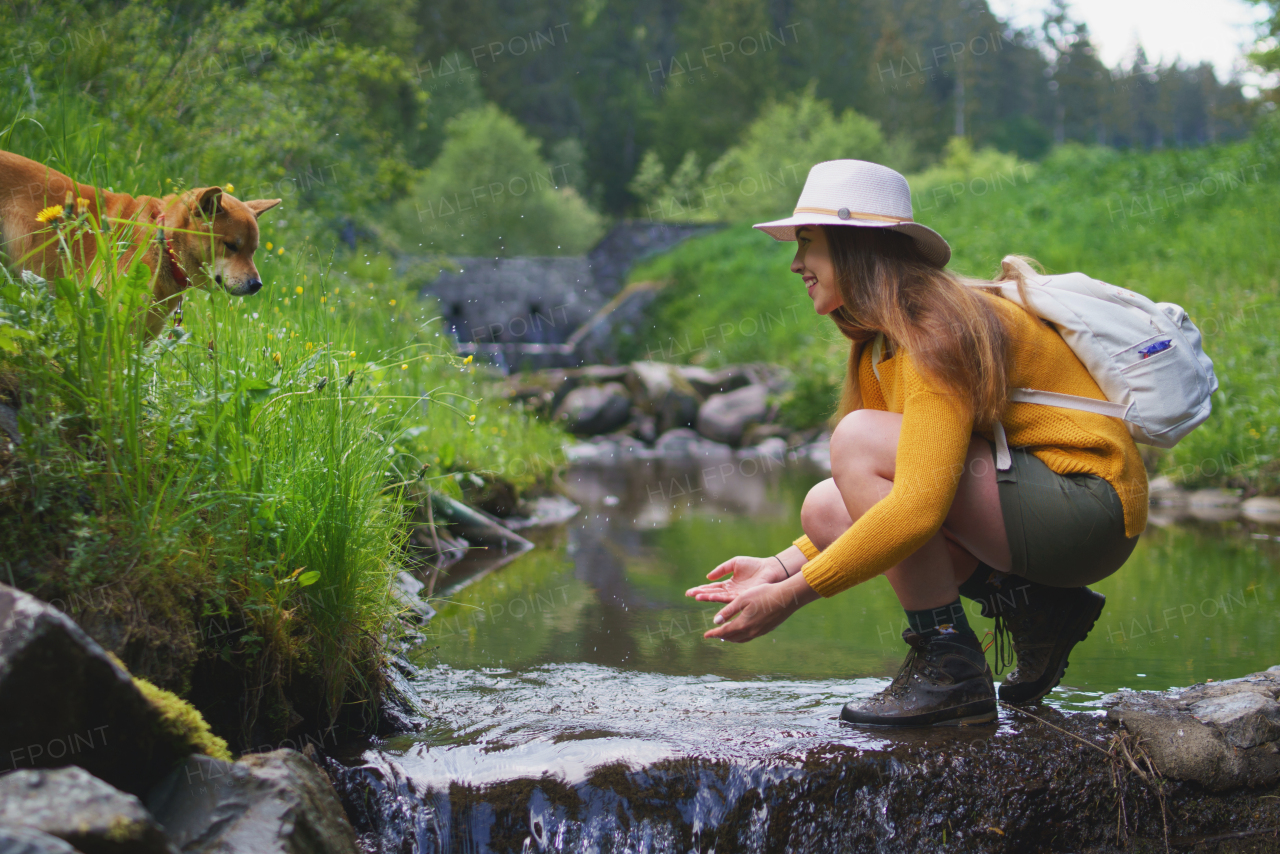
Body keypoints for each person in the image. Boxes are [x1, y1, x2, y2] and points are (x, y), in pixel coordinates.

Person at [685, 159, 1147, 726]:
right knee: (826, 506)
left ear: (853, 245)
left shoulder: (936, 326)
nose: (795, 263)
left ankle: (949, 666)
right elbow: (884, 493)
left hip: (1086, 505)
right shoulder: (881, 342)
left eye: (807, 244)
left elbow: (918, 507)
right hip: (1034, 509)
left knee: (858, 440)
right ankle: (1034, 607)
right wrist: (778, 568)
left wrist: (793, 596)